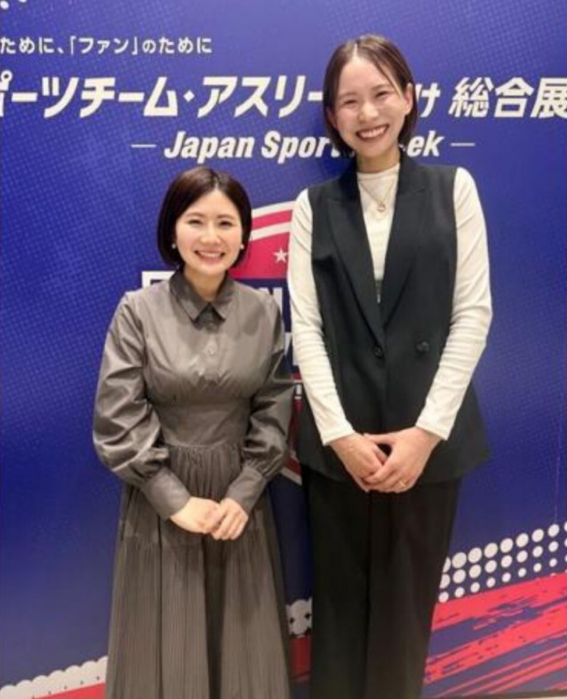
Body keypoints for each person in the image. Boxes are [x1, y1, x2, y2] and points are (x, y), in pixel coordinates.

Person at [288, 35, 492, 699]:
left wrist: (426, 433)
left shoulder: (453, 189)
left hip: (427, 443)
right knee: (339, 615)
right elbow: (307, 328)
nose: (367, 113)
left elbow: (472, 314)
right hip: (339, 447)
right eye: (349, 101)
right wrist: (338, 435)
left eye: (380, 94)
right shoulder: (314, 207)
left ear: (407, 98)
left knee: (406, 617)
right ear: (331, 116)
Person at [93, 167, 294, 699]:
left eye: (225, 223)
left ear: (244, 235)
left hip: (238, 504)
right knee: (165, 650)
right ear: (172, 230)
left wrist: (245, 492)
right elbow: (117, 416)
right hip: (161, 502)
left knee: (244, 653)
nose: (211, 237)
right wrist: (173, 500)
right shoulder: (137, 312)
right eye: (196, 221)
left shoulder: (263, 312)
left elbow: (274, 407)